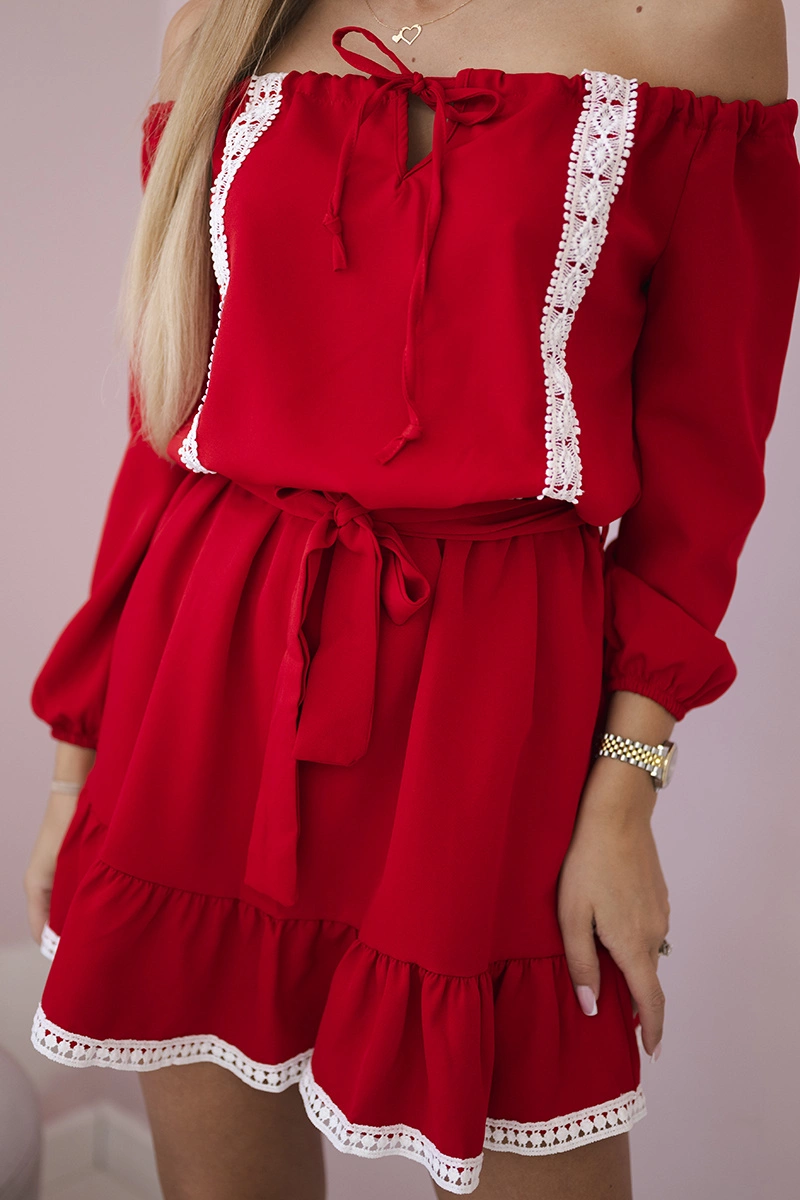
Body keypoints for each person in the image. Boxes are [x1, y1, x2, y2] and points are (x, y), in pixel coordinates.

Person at [23, 1, 800, 1197]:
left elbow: (704, 470)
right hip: (208, 673)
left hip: (491, 710)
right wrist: (76, 763)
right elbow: (167, 412)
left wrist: (622, 798)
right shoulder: (220, 27)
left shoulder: (697, 26)